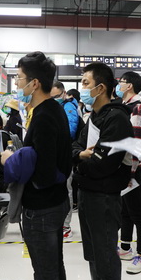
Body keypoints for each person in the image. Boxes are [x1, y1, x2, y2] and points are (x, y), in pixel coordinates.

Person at [0, 51, 72, 280]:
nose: (17, 83)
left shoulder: (43, 117)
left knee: (45, 276)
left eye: (20, 78)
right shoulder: (53, 109)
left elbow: (42, 174)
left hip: (41, 208)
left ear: (35, 83)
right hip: (56, 202)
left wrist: (11, 160)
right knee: (55, 268)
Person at [70, 62, 133, 280]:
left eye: (86, 83)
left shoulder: (116, 118)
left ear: (101, 88)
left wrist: (81, 163)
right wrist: (81, 156)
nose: (82, 88)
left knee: (106, 259)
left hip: (104, 197)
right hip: (88, 193)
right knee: (93, 255)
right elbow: (76, 147)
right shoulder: (93, 117)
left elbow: (103, 164)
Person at [114, 71, 141, 274]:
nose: (119, 85)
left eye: (121, 82)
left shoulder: (137, 108)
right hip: (125, 168)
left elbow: (137, 141)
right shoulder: (125, 106)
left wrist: (132, 172)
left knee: (137, 213)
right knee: (125, 210)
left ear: (129, 86)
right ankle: (126, 247)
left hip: (132, 169)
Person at [51, 81, 79, 239]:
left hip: (65, 154)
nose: (54, 99)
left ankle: (65, 226)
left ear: (63, 93)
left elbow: (70, 131)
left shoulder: (69, 107)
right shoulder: (58, 106)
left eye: (56, 96)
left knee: (66, 190)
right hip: (57, 153)